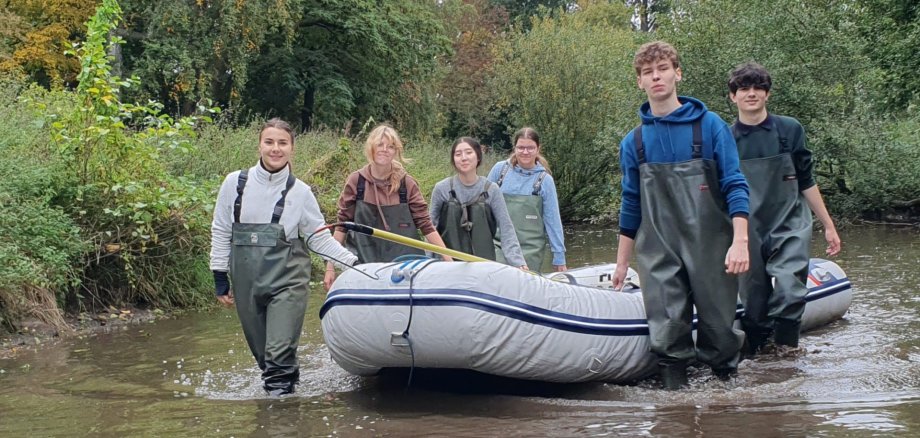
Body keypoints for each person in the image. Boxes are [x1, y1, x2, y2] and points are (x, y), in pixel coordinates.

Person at [611, 41, 751, 389]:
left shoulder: (710, 126)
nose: (656, 77)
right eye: (648, 72)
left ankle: (729, 400)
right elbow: (631, 203)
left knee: (720, 330)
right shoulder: (634, 142)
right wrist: (622, 263)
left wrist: (740, 241)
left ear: (678, 73)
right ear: (640, 82)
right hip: (658, 250)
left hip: (711, 246)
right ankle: (675, 405)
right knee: (668, 330)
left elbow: (735, 184)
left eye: (662, 69)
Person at [209, 118, 358, 396]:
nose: (275, 149)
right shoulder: (234, 184)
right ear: (259, 145)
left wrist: (355, 264)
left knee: (278, 353)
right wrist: (219, 275)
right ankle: (289, 395)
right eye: (269, 142)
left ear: (292, 148)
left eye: (282, 143)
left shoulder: (300, 192)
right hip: (246, 282)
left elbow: (318, 239)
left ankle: (278, 418)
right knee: (265, 358)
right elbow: (220, 229)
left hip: (287, 282)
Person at [728, 62, 842, 355]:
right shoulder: (725, 139)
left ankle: (788, 354)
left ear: (767, 93)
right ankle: (759, 359)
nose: (751, 94)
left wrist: (828, 225)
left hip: (790, 222)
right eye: (744, 88)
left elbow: (807, 181)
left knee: (791, 290)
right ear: (733, 96)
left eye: (758, 88)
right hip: (746, 229)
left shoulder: (789, 130)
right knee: (754, 303)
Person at [324, 124, 450, 290]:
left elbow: (427, 227)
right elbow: (341, 227)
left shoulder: (407, 184)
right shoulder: (356, 181)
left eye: (391, 146)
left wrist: (448, 261)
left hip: (406, 270)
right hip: (364, 268)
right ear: (371, 148)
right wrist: (330, 267)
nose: (385, 150)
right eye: (380, 145)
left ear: (396, 152)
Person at [430, 137, 528, 269]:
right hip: (447, 266)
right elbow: (430, 229)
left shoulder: (492, 190)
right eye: (458, 154)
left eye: (469, 152)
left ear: (478, 157)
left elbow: (506, 229)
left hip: (483, 267)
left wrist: (518, 263)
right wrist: (429, 262)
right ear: (453, 160)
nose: (464, 158)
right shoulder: (441, 188)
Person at [486, 128, 566, 272]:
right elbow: (482, 205)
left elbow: (552, 220)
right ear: (514, 148)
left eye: (530, 148)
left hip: (530, 250)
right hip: (498, 244)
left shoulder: (545, 180)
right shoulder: (500, 171)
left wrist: (559, 257)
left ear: (538, 149)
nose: (525, 152)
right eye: (521, 147)